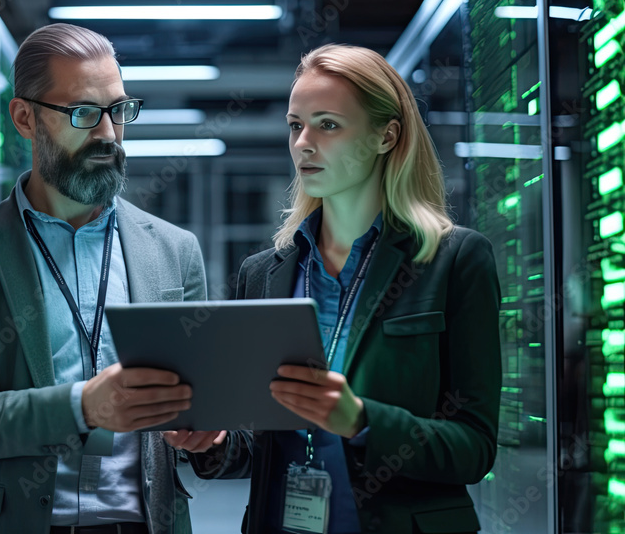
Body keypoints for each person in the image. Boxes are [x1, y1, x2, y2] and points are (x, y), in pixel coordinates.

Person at [168, 44, 501, 534]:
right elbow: (257, 444)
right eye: (294, 124)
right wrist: (216, 441)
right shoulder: (262, 274)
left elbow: (474, 449)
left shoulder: (454, 260)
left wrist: (361, 420)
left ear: (386, 136)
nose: (303, 143)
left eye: (327, 125)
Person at [0, 23, 207, 534]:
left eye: (118, 111)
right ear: (24, 118)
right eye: (83, 113)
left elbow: (197, 406)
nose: (107, 134)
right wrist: (83, 406)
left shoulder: (175, 251)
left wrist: (207, 429)